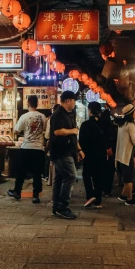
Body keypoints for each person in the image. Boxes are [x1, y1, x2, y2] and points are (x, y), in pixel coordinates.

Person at [49, 91, 83, 219]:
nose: (74, 104)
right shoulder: (58, 114)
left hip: (68, 150)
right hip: (60, 151)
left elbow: (73, 135)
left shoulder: (69, 114)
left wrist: (79, 150)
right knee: (70, 176)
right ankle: (63, 207)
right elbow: (57, 132)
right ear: (68, 101)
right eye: (73, 101)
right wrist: (73, 130)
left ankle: (56, 206)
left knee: (59, 178)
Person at [8, 95, 46, 203]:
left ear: (27, 103)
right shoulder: (42, 117)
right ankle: (35, 195)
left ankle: (17, 192)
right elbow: (45, 131)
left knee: (21, 171)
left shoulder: (24, 117)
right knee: (37, 173)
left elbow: (16, 130)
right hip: (38, 148)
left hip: (26, 147)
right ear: (37, 104)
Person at [79, 101, 107, 209]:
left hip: (88, 155)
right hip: (101, 155)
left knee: (86, 175)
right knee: (98, 177)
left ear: (89, 111)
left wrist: (81, 152)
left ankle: (90, 195)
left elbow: (81, 140)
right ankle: (98, 201)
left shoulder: (85, 125)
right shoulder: (104, 124)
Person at [115, 104, 135, 206]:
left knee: (127, 176)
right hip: (127, 154)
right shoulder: (130, 125)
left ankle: (123, 195)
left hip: (121, 154)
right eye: (134, 112)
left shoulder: (121, 124)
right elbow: (134, 139)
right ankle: (130, 199)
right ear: (131, 113)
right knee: (129, 178)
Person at [99, 108, 117, 197]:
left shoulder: (99, 125)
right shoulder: (111, 126)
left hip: (101, 151)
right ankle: (107, 190)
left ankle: (102, 188)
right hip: (110, 152)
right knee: (109, 172)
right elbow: (113, 138)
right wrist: (111, 148)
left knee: (102, 171)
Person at [45, 104, 60, 185]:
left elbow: (47, 135)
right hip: (62, 146)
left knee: (52, 163)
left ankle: (52, 181)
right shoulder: (64, 118)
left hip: (53, 144)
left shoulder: (51, 120)